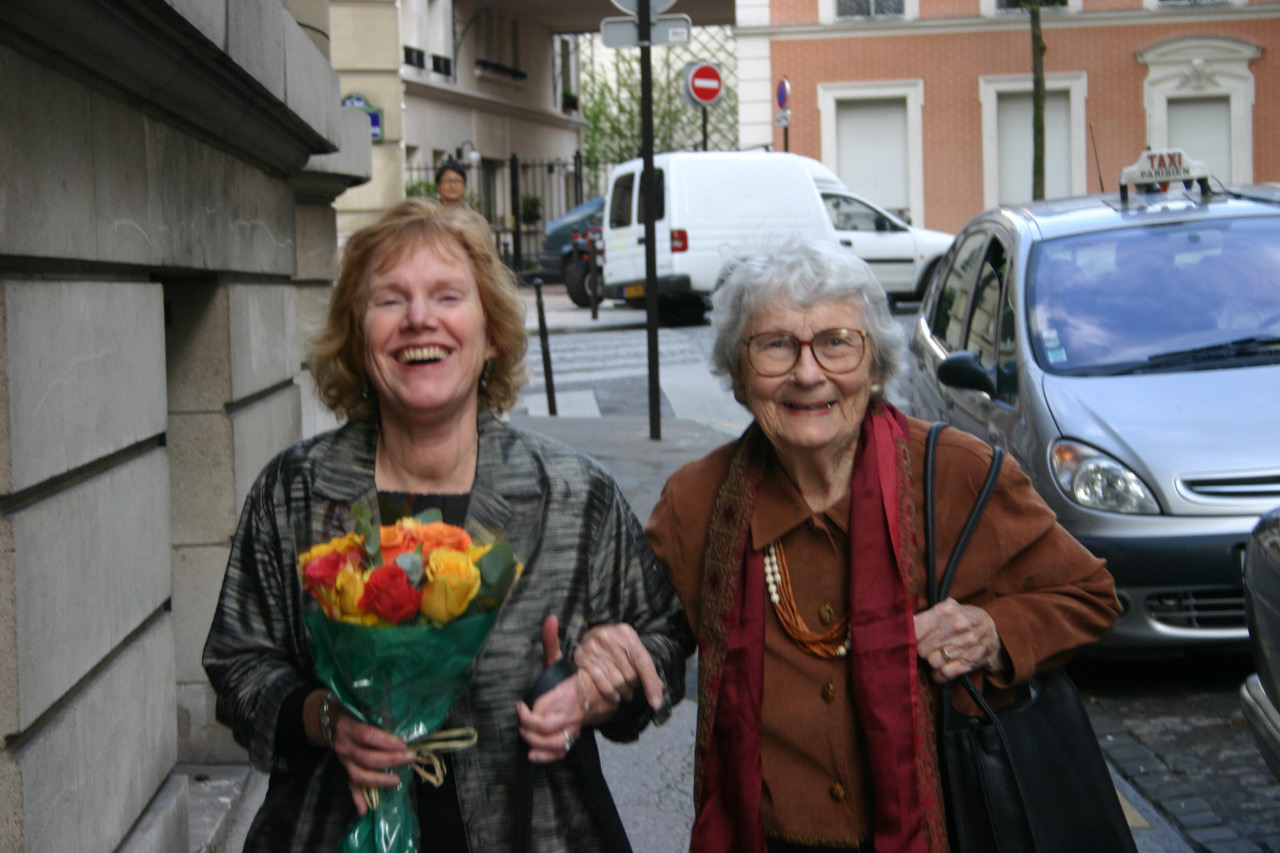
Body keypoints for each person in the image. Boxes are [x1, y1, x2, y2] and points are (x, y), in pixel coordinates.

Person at [203, 198, 694, 852]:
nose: (418, 319)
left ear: (491, 332)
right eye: (389, 300)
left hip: (536, 827)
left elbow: (661, 638)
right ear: (357, 334)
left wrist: (600, 691)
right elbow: (238, 665)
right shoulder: (295, 493)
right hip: (330, 829)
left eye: (446, 295)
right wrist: (322, 718)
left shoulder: (576, 495)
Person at [645, 234, 1122, 853]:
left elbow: (1091, 593)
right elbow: (646, 629)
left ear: (874, 369)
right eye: (775, 345)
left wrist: (994, 629)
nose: (808, 373)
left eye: (836, 344)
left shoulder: (956, 473)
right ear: (739, 376)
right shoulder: (697, 499)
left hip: (941, 832)